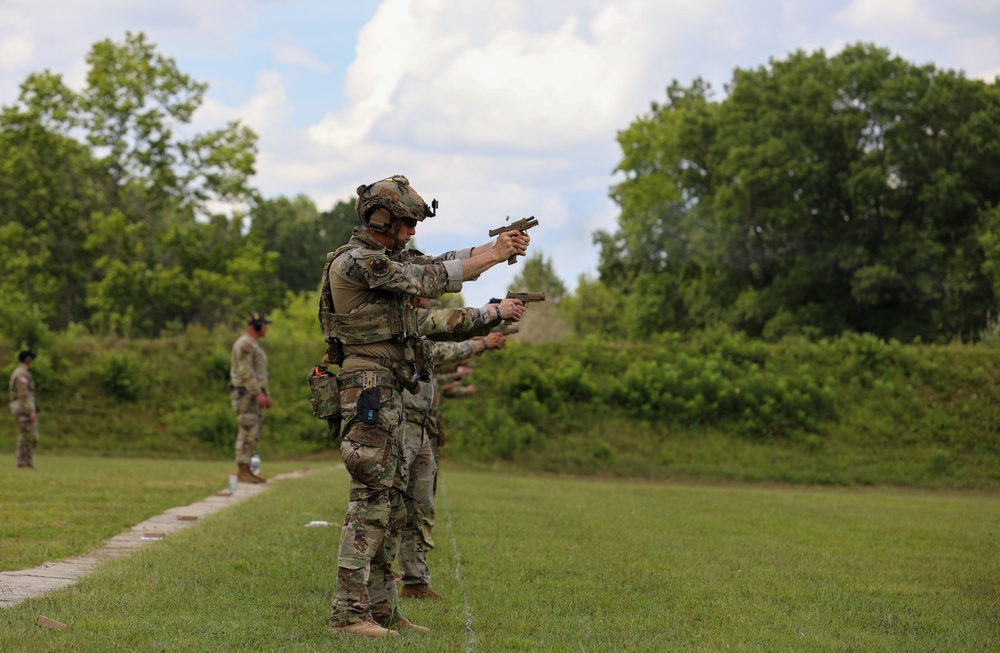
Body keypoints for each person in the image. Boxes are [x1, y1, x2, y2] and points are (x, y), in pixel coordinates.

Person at [319, 174, 530, 639]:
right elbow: (427, 276)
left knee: (393, 506)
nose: (413, 232)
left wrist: (492, 247)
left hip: (387, 388)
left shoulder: (385, 257)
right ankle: (347, 614)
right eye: (406, 223)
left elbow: (438, 261)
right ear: (381, 220)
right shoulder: (357, 263)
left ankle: (381, 611)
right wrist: (491, 258)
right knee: (371, 500)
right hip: (369, 388)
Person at [398, 329, 508, 600]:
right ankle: (379, 584)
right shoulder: (405, 316)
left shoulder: (415, 312)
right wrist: (481, 341)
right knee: (389, 506)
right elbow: (438, 351)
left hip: (421, 423)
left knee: (421, 505)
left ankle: (415, 582)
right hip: (399, 422)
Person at [230, 312, 272, 483]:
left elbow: (257, 373)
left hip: (251, 394)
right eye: (264, 324)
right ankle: (242, 469)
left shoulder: (251, 344)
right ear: (256, 325)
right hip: (247, 394)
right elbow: (246, 372)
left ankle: (246, 469)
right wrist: (258, 393)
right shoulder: (245, 344)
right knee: (247, 430)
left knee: (252, 431)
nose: (266, 327)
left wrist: (264, 393)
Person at [8, 350, 38, 469]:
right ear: (28, 360)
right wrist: (30, 411)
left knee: (28, 434)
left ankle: (26, 461)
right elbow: (23, 394)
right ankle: (23, 461)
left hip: (23, 407)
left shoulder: (21, 373)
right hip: (23, 409)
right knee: (26, 435)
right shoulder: (22, 374)